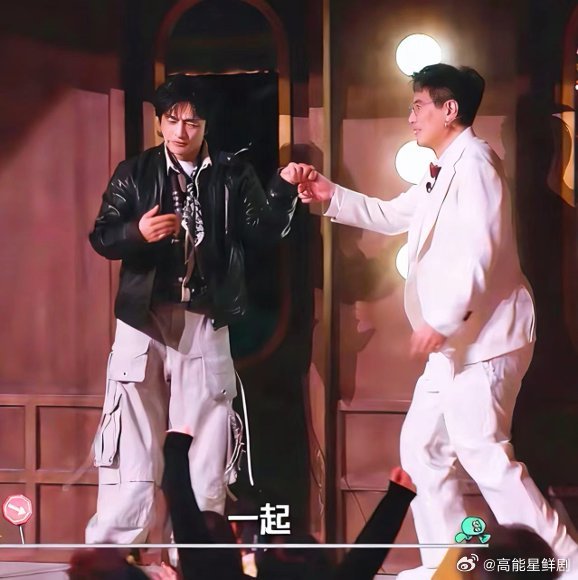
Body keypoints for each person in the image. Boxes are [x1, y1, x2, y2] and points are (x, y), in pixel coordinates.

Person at [287, 63, 578, 579]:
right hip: (455, 347)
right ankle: (451, 565)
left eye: (419, 105)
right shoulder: (441, 168)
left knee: (484, 454)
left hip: (486, 341)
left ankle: (564, 564)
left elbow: (482, 254)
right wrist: (330, 194)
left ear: (450, 110)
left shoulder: (477, 165)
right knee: (422, 450)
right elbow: (390, 215)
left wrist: (443, 321)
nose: (411, 115)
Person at [86, 74, 300, 544]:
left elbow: (263, 232)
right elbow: (102, 236)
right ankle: (119, 553)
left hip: (205, 315)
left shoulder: (231, 173)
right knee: (133, 439)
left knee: (207, 437)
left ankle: (199, 552)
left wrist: (284, 190)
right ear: (159, 123)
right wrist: (137, 233)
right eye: (172, 120)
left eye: (192, 122)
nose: (181, 131)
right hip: (143, 319)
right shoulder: (134, 171)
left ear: (205, 126)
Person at [161, 429, 416, 580]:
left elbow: (187, 524)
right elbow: (361, 563)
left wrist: (175, 449)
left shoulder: (206, 569)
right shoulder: (203, 567)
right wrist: (397, 499)